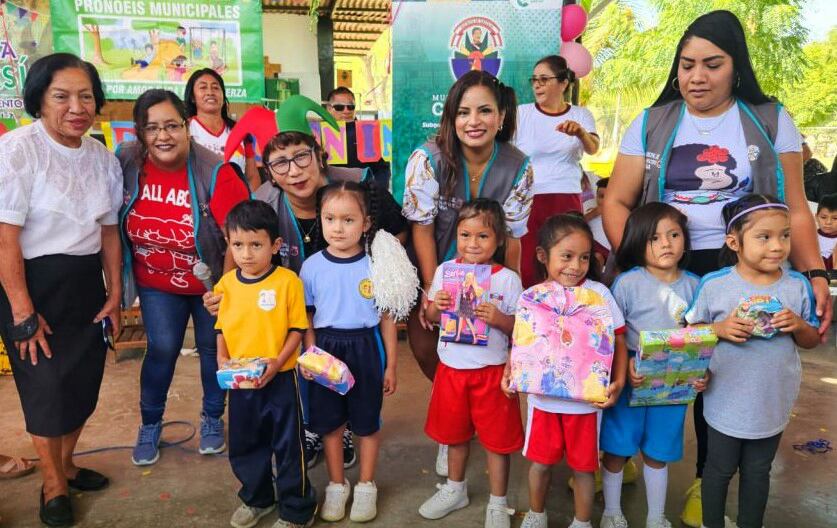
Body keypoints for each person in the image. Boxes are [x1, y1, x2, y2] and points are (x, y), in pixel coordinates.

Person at [600, 11, 832, 526]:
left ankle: (706, 481)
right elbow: (617, 200)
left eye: (712, 64)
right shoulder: (652, 121)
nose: (696, 77)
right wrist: (644, 261)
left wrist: (815, 274)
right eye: (686, 66)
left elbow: (795, 208)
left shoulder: (771, 120)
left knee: (722, 378)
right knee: (644, 357)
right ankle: (621, 455)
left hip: (738, 269)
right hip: (664, 263)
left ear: (736, 68)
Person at [209, 95, 408, 471]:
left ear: (319, 155)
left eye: (301, 156)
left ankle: (347, 428)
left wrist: (380, 263)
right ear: (269, 171)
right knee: (300, 363)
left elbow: (399, 230)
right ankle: (318, 426)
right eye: (280, 163)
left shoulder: (359, 189)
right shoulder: (264, 204)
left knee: (354, 372)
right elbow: (239, 247)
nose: (294, 170)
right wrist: (226, 292)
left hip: (349, 307)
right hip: (287, 301)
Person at [0, 52, 122, 527]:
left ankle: (67, 464)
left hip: (85, 283)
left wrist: (114, 293)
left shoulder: (102, 158)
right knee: (46, 389)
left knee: (81, 385)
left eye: (86, 95)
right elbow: (6, 236)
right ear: (39, 100)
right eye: (62, 96)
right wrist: (22, 310)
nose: (77, 106)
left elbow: (109, 232)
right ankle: (52, 482)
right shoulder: (17, 151)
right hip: (30, 285)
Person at [402, 70, 533, 477]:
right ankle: (453, 428)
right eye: (463, 112)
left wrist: (512, 290)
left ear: (500, 116)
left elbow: (513, 237)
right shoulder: (428, 159)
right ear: (451, 118)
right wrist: (431, 288)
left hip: (489, 278)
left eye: (484, 111)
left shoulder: (519, 166)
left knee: (487, 356)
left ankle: (469, 422)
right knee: (428, 349)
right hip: (434, 267)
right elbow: (421, 227)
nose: (473, 121)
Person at [119, 89, 250, 467]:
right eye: (152, 128)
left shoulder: (215, 170)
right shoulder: (127, 161)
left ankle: (212, 419)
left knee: (213, 351)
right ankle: (150, 423)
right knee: (161, 349)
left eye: (172, 125)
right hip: (156, 283)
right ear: (140, 133)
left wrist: (225, 289)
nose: (163, 136)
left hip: (209, 285)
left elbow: (237, 234)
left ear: (187, 126)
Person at [685, 194, 820, 528]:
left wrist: (800, 325)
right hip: (724, 401)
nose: (777, 246)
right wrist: (717, 328)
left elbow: (812, 341)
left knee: (759, 471)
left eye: (785, 235)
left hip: (772, 402)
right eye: (765, 237)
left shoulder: (796, 286)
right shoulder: (715, 285)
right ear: (734, 241)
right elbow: (690, 334)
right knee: (718, 470)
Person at [512, 214, 626, 528]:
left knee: (584, 468)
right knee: (540, 464)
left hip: (586, 405)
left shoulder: (599, 296)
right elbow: (522, 340)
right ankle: (536, 514)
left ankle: (582, 521)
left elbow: (618, 337)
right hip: (543, 402)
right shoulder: (532, 297)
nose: (575, 266)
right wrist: (512, 371)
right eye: (566, 256)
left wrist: (618, 380)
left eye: (584, 257)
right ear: (542, 256)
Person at [599, 203, 707, 528]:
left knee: (658, 453)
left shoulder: (695, 285)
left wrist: (701, 373)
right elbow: (613, 334)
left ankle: (655, 517)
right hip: (630, 377)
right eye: (654, 238)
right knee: (617, 450)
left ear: (685, 239)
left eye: (674, 234)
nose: (666, 243)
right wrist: (623, 369)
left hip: (673, 384)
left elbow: (700, 338)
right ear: (637, 242)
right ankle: (611, 512)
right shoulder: (627, 284)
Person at [418, 199, 524, 528]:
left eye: (483, 236)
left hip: (492, 372)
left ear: (499, 240)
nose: (472, 244)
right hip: (451, 370)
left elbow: (522, 330)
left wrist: (501, 319)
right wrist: (437, 305)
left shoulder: (507, 279)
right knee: (454, 436)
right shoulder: (446, 271)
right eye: (465, 235)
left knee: (497, 441)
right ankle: (455, 488)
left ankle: (498, 502)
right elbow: (432, 319)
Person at [299, 181, 398, 523]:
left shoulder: (376, 265)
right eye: (330, 219)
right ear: (320, 219)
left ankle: (366, 486)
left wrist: (391, 366)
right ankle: (337, 486)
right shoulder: (311, 267)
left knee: (367, 423)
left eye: (348, 220)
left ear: (366, 223)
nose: (338, 228)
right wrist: (310, 356)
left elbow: (386, 318)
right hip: (326, 349)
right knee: (330, 425)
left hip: (366, 347)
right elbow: (307, 318)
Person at [214, 200, 317, 528]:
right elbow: (221, 327)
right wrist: (221, 358)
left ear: (274, 245)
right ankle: (257, 498)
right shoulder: (226, 285)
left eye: (256, 245)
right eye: (238, 244)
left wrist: (278, 363)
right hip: (240, 381)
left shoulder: (288, 281)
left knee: (289, 445)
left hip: (281, 379)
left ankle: (297, 508)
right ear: (228, 243)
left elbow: (297, 330)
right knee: (245, 443)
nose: (246, 254)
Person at [514, 55, 600, 288]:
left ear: (564, 83)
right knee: (530, 262)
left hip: (566, 197)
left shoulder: (581, 115)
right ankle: (531, 314)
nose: (537, 85)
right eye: (534, 80)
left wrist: (580, 133)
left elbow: (593, 148)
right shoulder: (521, 114)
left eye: (544, 79)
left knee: (566, 258)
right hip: (528, 199)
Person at [184, 68, 260, 190]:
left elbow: (252, 176)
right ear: (193, 97)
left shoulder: (240, 132)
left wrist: (250, 205)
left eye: (215, 87)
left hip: (237, 206)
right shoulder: (184, 129)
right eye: (203, 87)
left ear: (223, 95)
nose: (210, 92)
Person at [325, 87, 392, 189]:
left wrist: (378, 193)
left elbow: (382, 169)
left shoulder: (368, 132)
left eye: (350, 107)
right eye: (339, 107)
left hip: (363, 197)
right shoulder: (318, 134)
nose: (346, 111)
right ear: (329, 109)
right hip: (330, 197)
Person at [815, 193, 837, 270]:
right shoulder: (811, 236)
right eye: (823, 217)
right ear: (816, 217)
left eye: (835, 218)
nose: (828, 222)